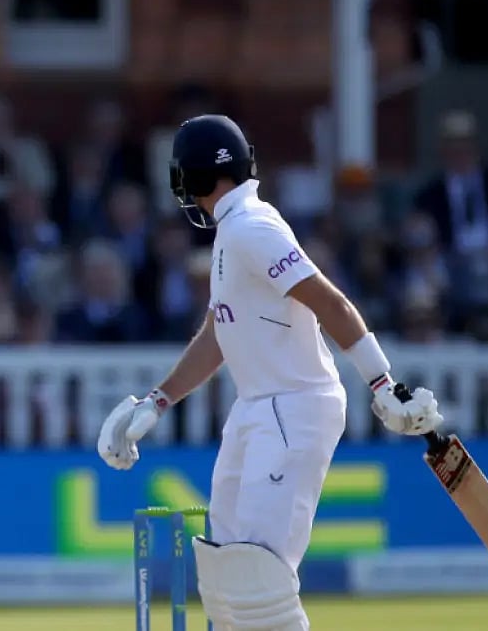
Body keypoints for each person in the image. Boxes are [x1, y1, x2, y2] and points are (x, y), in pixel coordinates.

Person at [96, 115, 444, 631]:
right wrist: (157, 400)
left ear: (197, 175)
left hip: (295, 406)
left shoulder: (252, 228)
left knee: (261, 584)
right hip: (256, 407)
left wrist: (381, 382)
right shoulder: (233, 231)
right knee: (225, 578)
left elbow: (329, 301)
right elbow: (219, 333)